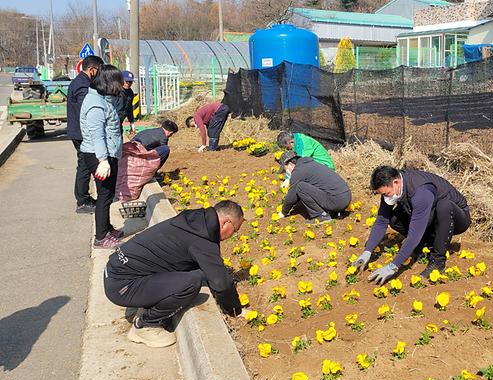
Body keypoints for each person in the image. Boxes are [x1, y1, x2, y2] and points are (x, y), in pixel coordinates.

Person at [104, 200, 245, 348]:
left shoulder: (193, 220)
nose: (233, 235)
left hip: (116, 270)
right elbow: (221, 283)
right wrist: (235, 310)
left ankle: (146, 303)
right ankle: (145, 326)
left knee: (195, 271)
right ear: (226, 223)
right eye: (235, 230)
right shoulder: (202, 240)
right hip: (122, 286)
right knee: (192, 283)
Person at [355, 165, 471, 284]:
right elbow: (381, 220)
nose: (385, 197)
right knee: (395, 219)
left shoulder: (420, 192)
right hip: (431, 212)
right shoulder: (392, 186)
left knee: (444, 207)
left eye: (386, 193)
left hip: (457, 218)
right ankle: (425, 244)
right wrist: (367, 251)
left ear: (396, 182)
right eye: (382, 194)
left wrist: (393, 266)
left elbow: (414, 234)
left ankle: (437, 261)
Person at [80, 64, 125, 249]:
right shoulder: (95, 105)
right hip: (98, 156)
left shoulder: (103, 99)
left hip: (106, 153)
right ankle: (100, 237)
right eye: (118, 82)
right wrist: (103, 161)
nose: (121, 86)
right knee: (104, 195)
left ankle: (106, 228)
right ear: (109, 82)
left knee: (108, 193)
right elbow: (97, 135)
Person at [67, 55, 104, 214]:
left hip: (77, 132)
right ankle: (82, 201)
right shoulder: (83, 86)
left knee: (83, 166)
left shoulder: (78, 82)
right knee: (84, 167)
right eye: (99, 70)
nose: (100, 74)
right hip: (82, 134)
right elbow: (87, 111)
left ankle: (84, 198)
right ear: (92, 69)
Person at [278, 150, 351, 224]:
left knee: (300, 187)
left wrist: (283, 212)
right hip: (346, 197)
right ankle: (337, 212)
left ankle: (320, 216)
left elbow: (291, 196)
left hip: (336, 201)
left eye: (285, 169)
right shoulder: (310, 163)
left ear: (290, 164)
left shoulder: (298, 172)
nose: (286, 172)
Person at [118, 70, 137, 137]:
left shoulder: (130, 93)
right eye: (126, 81)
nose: (128, 83)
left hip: (120, 121)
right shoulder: (115, 91)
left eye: (130, 82)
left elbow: (129, 108)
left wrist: (132, 123)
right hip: (112, 122)